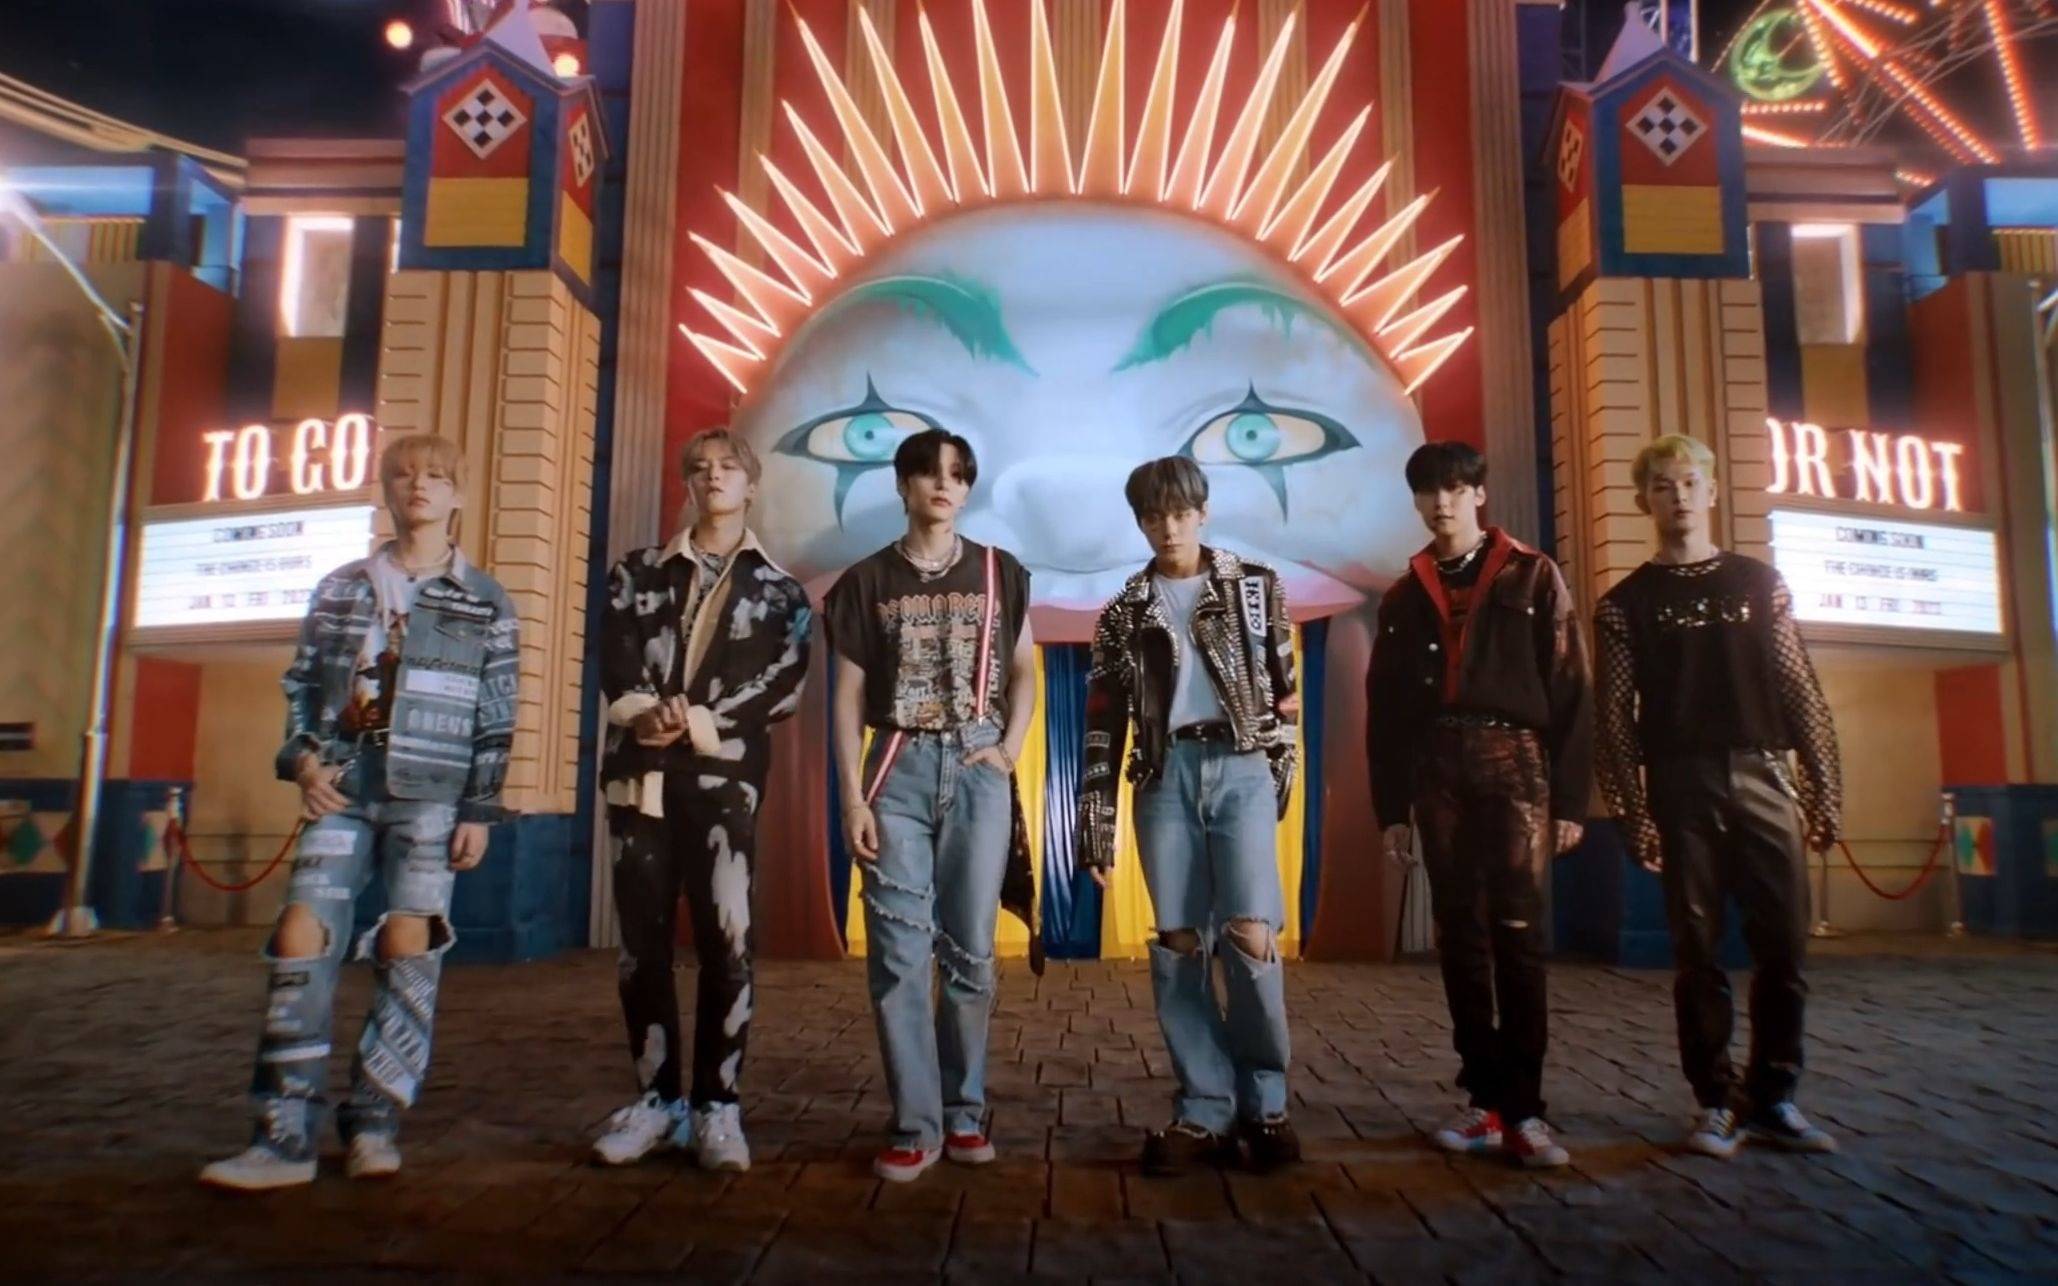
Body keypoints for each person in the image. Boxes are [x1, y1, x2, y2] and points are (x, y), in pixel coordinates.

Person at [200, 432, 519, 1190]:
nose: (419, 486)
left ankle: (375, 1120)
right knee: (300, 932)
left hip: (432, 794)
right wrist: (303, 760)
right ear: (386, 489)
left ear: (457, 495)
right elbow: (302, 684)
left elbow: (496, 710)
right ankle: (282, 1133)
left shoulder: (485, 598)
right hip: (343, 786)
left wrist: (479, 808)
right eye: (403, 475)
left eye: (436, 476)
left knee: (410, 943)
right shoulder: (341, 588)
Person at [1595, 434, 1842, 1159]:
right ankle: (1714, 1101)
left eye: (1689, 482)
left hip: (1765, 773)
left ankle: (1775, 1097)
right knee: (1697, 950)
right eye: (1662, 485)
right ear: (1644, 501)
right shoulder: (1625, 605)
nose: (1678, 496)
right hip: (1681, 782)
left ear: (1711, 491)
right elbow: (1613, 720)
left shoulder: (1758, 584)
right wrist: (1632, 811)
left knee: (1784, 946)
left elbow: (1799, 688)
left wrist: (1824, 787)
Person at [589, 429, 813, 1172]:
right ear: (686, 483)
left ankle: (718, 1105)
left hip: (724, 785)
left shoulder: (781, 592)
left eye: (727, 467)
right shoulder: (636, 573)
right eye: (699, 467)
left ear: (751, 484)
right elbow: (614, 655)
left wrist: (701, 722)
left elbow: (783, 682)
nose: (713, 476)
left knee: (728, 940)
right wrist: (641, 712)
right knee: (641, 947)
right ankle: (656, 1101)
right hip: (640, 778)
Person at [1367, 441, 1592, 1169]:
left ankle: (1526, 1111)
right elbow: (1385, 711)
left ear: (1479, 495)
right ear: (1416, 501)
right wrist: (1390, 809)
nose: (1443, 503)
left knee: (1519, 933)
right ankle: (1484, 1102)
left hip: (1516, 762)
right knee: (1459, 934)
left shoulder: (1533, 573)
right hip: (1437, 766)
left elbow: (1571, 687)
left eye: (1457, 489)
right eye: (1430, 491)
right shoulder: (1404, 595)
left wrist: (1571, 799)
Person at [1078, 457, 1303, 1175]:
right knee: (1178, 942)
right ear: (1140, 522)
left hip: (1241, 765)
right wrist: (1096, 824)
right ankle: (1205, 1108)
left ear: (1203, 512)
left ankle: (1266, 1105)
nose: (1168, 527)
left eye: (1179, 512)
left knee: (1250, 934)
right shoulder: (1123, 611)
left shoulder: (1255, 587)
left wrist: (1277, 774)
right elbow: (1103, 719)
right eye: (1153, 516)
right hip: (1164, 774)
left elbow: (1286, 694)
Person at [826, 428, 1036, 1184]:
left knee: (971, 950)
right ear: (903, 485)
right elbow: (846, 697)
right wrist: (852, 797)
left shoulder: (1000, 571)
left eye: (957, 475)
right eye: (929, 473)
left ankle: (964, 1111)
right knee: (899, 953)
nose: (944, 485)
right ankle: (916, 1124)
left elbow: (1025, 669)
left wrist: (1008, 749)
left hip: (977, 763)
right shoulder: (865, 581)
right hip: (897, 765)